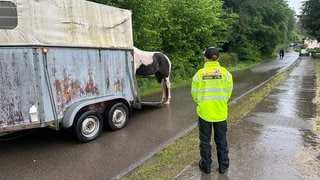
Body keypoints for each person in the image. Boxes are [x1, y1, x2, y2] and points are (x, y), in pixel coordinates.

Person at [191, 47, 233, 174]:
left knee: (205, 141)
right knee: (221, 140)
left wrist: (202, 102)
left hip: (204, 113)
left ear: (205, 58)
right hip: (220, 112)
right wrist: (220, 102)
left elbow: (194, 93)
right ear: (218, 58)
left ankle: (206, 166)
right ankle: (223, 166)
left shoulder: (199, 74)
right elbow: (228, 92)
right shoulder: (226, 73)